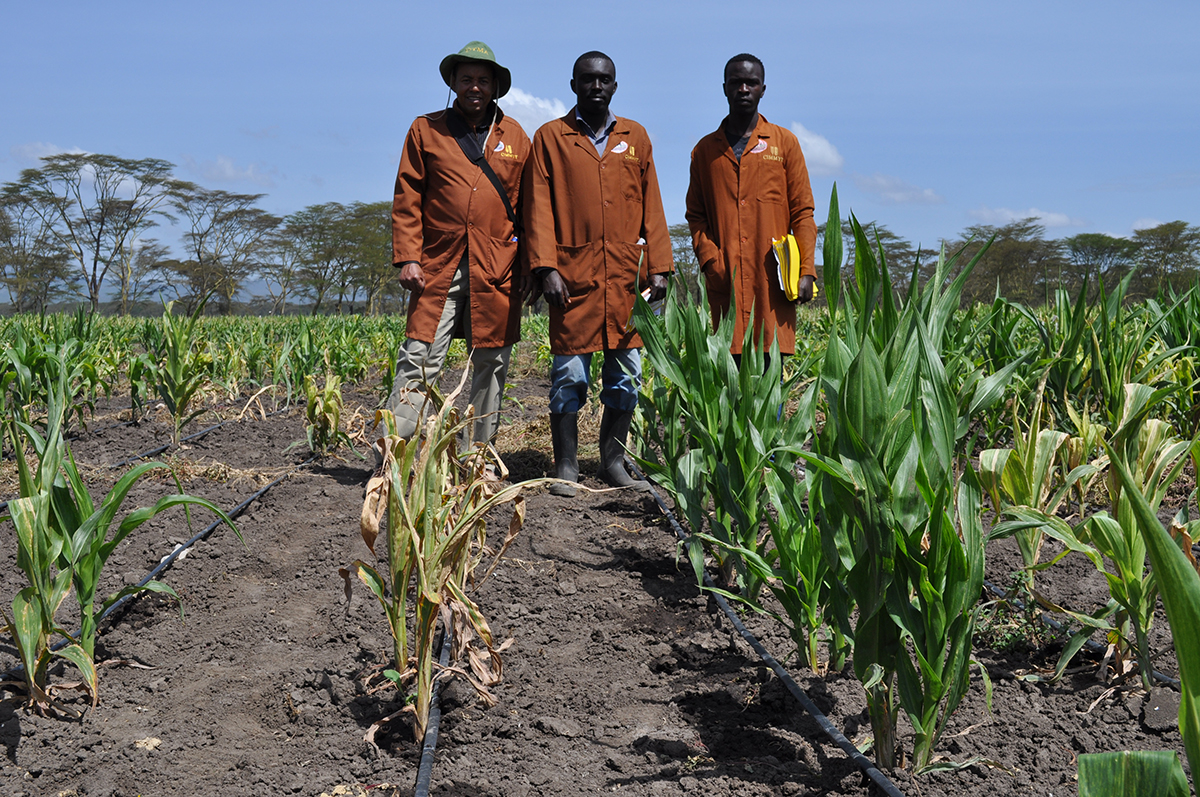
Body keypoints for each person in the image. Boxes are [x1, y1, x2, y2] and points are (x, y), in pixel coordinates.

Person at [523, 51, 672, 497]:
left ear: (615, 86)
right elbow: (537, 208)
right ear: (573, 85)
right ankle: (567, 465)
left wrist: (660, 267)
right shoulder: (550, 137)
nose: (596, 86)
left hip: (627, 281)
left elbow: (652, 204)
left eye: (604, 79)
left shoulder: (635, 137)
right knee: (570, 375)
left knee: (627, 376)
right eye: (588, 79)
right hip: (573, 279)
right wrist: (546, 268)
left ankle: (612, 461)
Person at [386, 41, 529, 450]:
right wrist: (409, 258)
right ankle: (395, 455)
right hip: (436, 264)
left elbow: (530, 208)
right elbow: (408, 197)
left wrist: (530, 267)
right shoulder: (426, 129)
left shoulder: (517, 137)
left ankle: (479, 458)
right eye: (466, 79)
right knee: (419, 357)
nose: (474, 87)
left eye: (483, 80)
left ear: (495, 86)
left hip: (497, 266)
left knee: (492, 362)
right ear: (452, 82)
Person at [685, 53, 817, 361]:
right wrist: (711, 261)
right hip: (726, 284)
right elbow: (696, 215)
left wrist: (806, 271)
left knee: (772, 378)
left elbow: (802, 212)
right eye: (736, 83)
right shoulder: (704, 151)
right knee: (729, 378)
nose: (743, 89)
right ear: (724, 88)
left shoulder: (785, 144)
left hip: (773, 283)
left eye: (751, 83)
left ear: (763, 89)